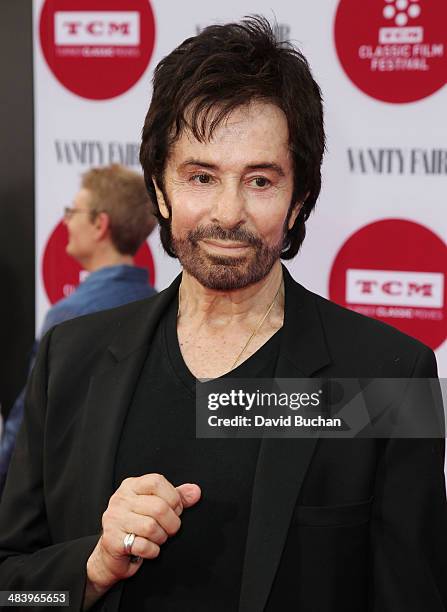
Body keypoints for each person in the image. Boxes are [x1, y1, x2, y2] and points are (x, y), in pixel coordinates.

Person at [0, 17, 446, 612]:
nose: (228, 214)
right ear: (159, 188)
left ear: (300, 198)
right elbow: (15, 592)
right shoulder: (69, 361)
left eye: (260, 180)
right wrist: (91, 569)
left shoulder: (387, 376)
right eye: (201, 176)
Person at [0, 164, 157, 494]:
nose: (66, 221)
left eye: (72, 212)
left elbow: (27, 425)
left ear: (100, 224)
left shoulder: (69, 315)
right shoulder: (159, 306)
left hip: (69, 497)